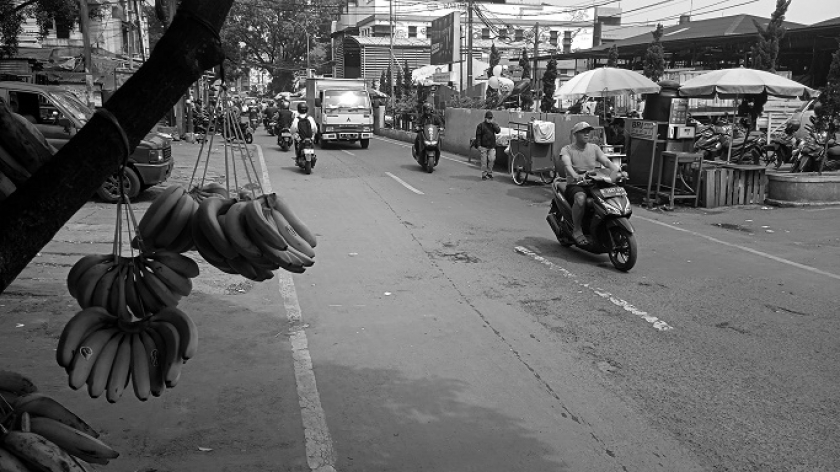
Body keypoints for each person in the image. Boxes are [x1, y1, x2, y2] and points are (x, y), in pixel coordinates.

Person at [556, 122, 623, 246]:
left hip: (592, 182)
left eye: (588, 131)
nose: (586, 134)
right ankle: (577, 229)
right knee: (581, 199)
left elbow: (606, 162)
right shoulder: (567, 149)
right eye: (583, 131)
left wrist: (618, 171)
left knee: (609, 195)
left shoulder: (594, 148)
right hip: (576, 184)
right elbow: (567, 165)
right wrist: (575, 175)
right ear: (575, 134)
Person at [474, 110, 500, 180]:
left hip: (491, 146)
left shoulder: (493, 125)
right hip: (483, 146)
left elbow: (498, 131)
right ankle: (484, 174)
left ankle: (489, 172)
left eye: (491, 118)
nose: (489, 119)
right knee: (484, 161)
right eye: (488, 118)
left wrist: (493, 124)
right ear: (485, 118)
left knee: (492, 159)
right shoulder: (480, 126)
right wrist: (479, 145)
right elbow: (478, 136)